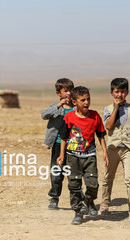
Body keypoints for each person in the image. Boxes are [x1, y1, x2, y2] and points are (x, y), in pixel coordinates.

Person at [56, 86, 109, 225]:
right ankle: (78, 212)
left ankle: (89, 201)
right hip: (72, 157)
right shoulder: (69, 117)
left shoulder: (95, 115)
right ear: (74, 102)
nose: (86, 102)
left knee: (93, 184)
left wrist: (105, 152)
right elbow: (63, 137)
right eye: (83, 100)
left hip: (89, 156)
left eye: (88, 99)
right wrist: (61, 155)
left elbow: (101, 135)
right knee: (74, 185)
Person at [100, 78, 130, 222]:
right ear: (112, 92)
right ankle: (105, 203)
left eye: (122, 92)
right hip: (112, 148)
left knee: (129, 178)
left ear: (127, 92)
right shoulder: (108, 108)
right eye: (117, 92)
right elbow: (109, 126)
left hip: (128, 148)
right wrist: (116, 108)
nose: (120, 95)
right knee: (108, 177)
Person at [41, 78, 74, 210]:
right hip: (57, 144)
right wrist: (59, 105)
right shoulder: (55, 107)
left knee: (74, 173)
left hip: (73, 145)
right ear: (58, 93)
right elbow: (44, 115)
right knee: (56, 172)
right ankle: (54, 197)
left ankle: (77, 198)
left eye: (71, 90)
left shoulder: (76, 108)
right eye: (65, 91)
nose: (68, 94)